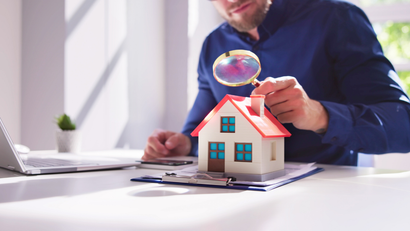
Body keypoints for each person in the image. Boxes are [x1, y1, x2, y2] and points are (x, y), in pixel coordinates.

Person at [143, 0, 410, 166]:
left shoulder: (337, 19)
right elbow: (198, 131)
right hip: (231, 199)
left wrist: (320, 115)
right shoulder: (214, 46)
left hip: (323, 202)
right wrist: (184, 145)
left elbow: (403, 127)